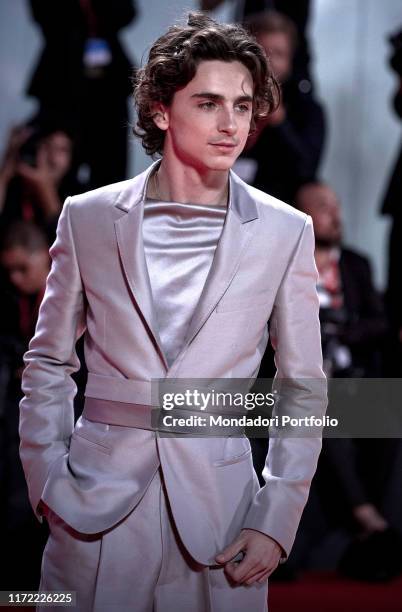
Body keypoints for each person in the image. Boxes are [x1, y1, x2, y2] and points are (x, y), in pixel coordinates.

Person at [19, 12, 327, 611]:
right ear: (161, 109)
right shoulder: (86, 216)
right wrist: (46, 485)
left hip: (223, 517)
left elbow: (304, 386)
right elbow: (48, 361)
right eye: (209, 103)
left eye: (243, 105)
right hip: (93, 506)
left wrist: (278, 517)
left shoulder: (286, 231)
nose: (231, 123)